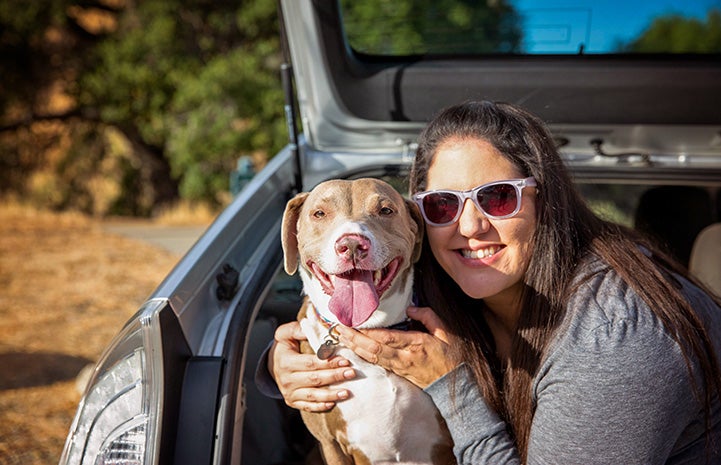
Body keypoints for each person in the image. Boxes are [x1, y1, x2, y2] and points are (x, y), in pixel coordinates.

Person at [263, 100, 721, 464]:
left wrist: (451, 387)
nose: (469, 226)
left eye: (499, 197)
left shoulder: (617, 336)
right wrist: (279, 366)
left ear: (546, 199)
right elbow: (344, 317)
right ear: (421, 225)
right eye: (443, 205)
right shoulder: (444, 286)